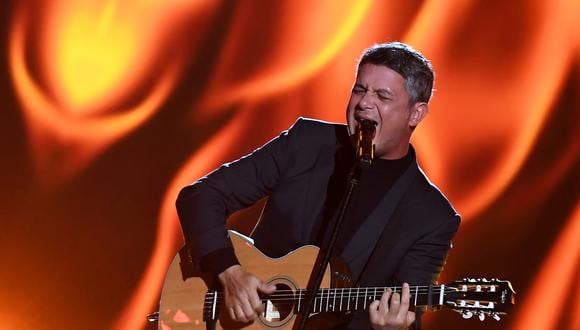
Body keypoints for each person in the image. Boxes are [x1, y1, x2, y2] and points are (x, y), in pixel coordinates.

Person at [176, 42, 460, 329]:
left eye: (383, 96)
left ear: (416, 114)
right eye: (359, 90)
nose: (364, 103)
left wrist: (390, 329)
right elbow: (200, 197)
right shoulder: (306, 143)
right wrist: (229, 271)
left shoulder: (432, 217)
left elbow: (408, 313)